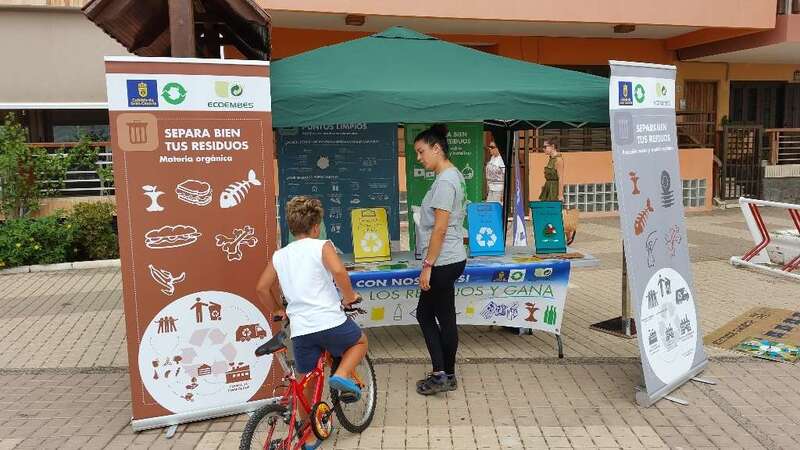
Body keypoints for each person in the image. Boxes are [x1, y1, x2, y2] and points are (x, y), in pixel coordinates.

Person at [256, 196, 367, 449]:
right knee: (360, 341)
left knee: (308, 380)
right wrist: (349, 297)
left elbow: (262, 287)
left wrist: (277, 309)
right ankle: (341, 375)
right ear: (316, 227)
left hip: (301, 330)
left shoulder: (280, 255)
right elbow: (338, 271)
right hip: (330, 321)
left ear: (291, 227)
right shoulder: (322, 246)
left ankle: (309, 437)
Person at [413, 124, 468, 396]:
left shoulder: (446, 181)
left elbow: (440, 228)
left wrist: (428, 265)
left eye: (421, 151)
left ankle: (440, 374)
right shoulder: (452, 175)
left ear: (436, 148)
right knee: (445, 317)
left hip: (443, 261)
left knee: (426, 315)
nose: (419, 158)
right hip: (451, 257)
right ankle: (448, 373)